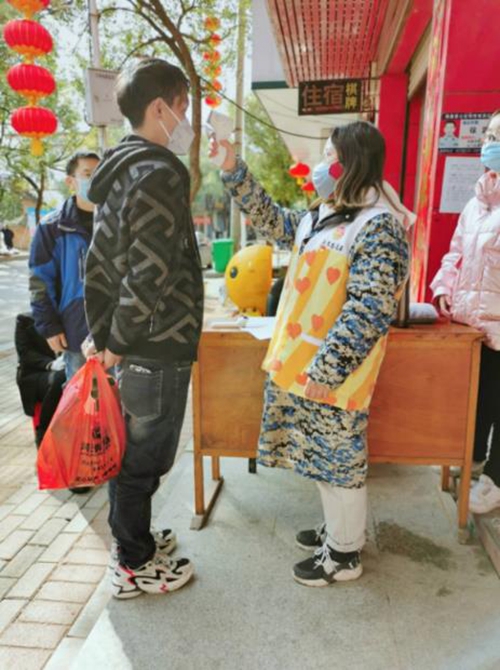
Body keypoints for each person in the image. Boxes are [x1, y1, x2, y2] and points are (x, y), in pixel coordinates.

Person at [211, 121, 410, 586]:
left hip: (335, 371)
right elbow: (273, 220)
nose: (322, 166)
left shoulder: (378, 225)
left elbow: (369, 308)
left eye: (329, 157)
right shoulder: (324, 214)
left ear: (353, 164)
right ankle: (339, 532)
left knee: (339, 461)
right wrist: (233, 168)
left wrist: (329, 368)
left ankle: (344, 555)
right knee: (322, 458)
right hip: (305, 365)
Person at [84, 58, 204, 599]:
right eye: (182, 107)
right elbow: (147, 272)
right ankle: (132, 563)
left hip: (135, 342)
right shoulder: (158, 172)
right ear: (160, 108)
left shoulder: (119, 169)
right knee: (143, 462)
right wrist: (118, 341)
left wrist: (109, 336)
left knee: (132, 458)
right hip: (155, 343)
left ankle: (132, 543)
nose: (185, 120)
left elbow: (103, 263)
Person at [431, 109, 500, 514]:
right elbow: (454, 253)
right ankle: (474, 462)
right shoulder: (476, 203)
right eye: (489, 135)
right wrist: (444, 288)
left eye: (498, 136)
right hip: (472, 325)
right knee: (479, 399)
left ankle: (495, 480)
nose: (490, 143)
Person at [29, 150, 100, 382]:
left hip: (117, 335)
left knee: (118, 401)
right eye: (87, 174)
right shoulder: (51, 227)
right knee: (81, 399)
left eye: (100, 173)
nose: (95, 179)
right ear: (71, 182)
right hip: (75, 332)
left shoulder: (118, 221)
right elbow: (40, 282)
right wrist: (49, 327)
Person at [14, 312, 66, 447]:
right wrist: (50, 364)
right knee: (60, 378)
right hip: (36, 373)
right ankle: (43, 432)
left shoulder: (67, 317)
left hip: (64, 369)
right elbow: (25, 353)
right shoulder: (25, 321)